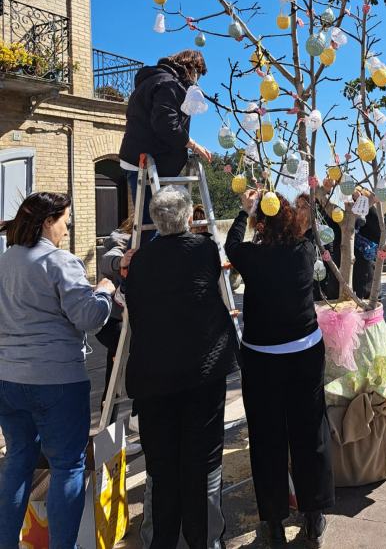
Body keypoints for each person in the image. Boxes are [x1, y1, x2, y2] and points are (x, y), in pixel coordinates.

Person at [124, 186, 238, 549]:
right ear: (189, 216)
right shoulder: (202, 249)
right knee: (202, 462)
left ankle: (162, 541)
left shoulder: (140, 260)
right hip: (200, 376)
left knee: (162, 464)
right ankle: (203, 540)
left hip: (154, 379)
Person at [0, 192, 115, 548]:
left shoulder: (6, 261)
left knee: (18, 459)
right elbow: (89, 317)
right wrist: (105, 292)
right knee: (67, 466)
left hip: (9, 378)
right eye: (66, 221)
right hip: (57, 380)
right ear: (48, 221)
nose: (67, 229)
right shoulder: (60, 262)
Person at [225, 190, 334, 547]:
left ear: (260, 225)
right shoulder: (304, 252)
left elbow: (230, 244)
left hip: (261, 358)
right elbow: (308, 228)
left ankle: (273, 522)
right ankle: (314, 514)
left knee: (266, 437)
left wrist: (245, 212)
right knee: (309, 431)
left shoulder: (250, 256)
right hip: (304, 353)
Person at [119, 49, 212, 244]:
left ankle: (141, 265)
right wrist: (193, 145)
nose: (196, 80)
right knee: (153, 223)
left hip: (141, 158)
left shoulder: (154, 79)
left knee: (151, 223)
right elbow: (166, 124)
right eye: (197, 73)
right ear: (191, 68)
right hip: (149, 161)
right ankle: (141, 269)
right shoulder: (169, 84)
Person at [96, 213, 133, 406]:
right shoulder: (124, 241)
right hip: (117, 323)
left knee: (115, 379)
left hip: (131, 322)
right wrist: (121, 262)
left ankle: (109, 429)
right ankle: (111, 428)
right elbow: (107, 261)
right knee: (115, 379)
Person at [295, 192, 341, 301]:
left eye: (304, 207)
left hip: (318, 291)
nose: (299, 211)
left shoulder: (320, 232)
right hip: (299, 289)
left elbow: (328, 260)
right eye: (298, 206)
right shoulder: (294, 232)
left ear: (313, 210)